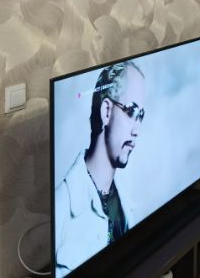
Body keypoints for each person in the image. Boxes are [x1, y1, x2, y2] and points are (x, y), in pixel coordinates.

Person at [55, 61, 145, 277]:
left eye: (140, 115)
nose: (137, 130)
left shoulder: (126, 204)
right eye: (131, 111)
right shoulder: (61, 206)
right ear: (106, 111)